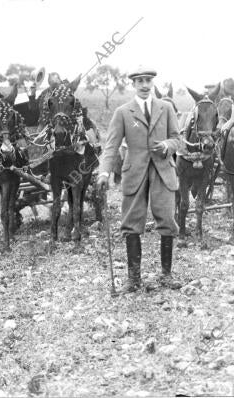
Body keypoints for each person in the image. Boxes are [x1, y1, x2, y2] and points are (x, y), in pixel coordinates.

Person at [96, 66, 183, 293]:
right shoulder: (123, 112)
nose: (145, 85)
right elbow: (111, 145)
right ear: (133, 85)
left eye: (148, 81)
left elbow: (177, 139)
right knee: (132, 222)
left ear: (153, 83)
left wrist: (167, 145)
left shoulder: (166, 108)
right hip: (134, 173)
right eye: (140, 81)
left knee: (167, 220)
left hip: (163, 171)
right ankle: (134, 279)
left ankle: (166, 275)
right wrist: (104, 172)